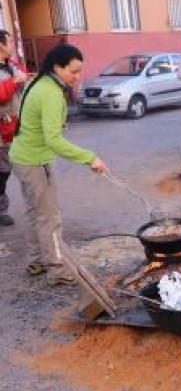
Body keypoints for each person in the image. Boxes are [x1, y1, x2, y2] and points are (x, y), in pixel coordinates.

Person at [9, 44, 109, 286]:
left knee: (36, 213)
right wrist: (89, 157)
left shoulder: (41, 81)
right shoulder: (50, 93)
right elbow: (53, 139)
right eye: (73, 72)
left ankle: (37, 261)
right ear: (57, 67)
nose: (77, 77)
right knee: (50, 217)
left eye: (79, 71)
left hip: (21, 157)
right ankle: (58, 270)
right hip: (34, 161)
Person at [0, 30, 28, 227]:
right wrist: (14, 82)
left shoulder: (12, 65)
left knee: (16, 168)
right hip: (1, 127)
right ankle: (1, 210)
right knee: (2, 171)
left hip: (16, 125)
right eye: (9, 41)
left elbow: (23, 83)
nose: (12, 44)